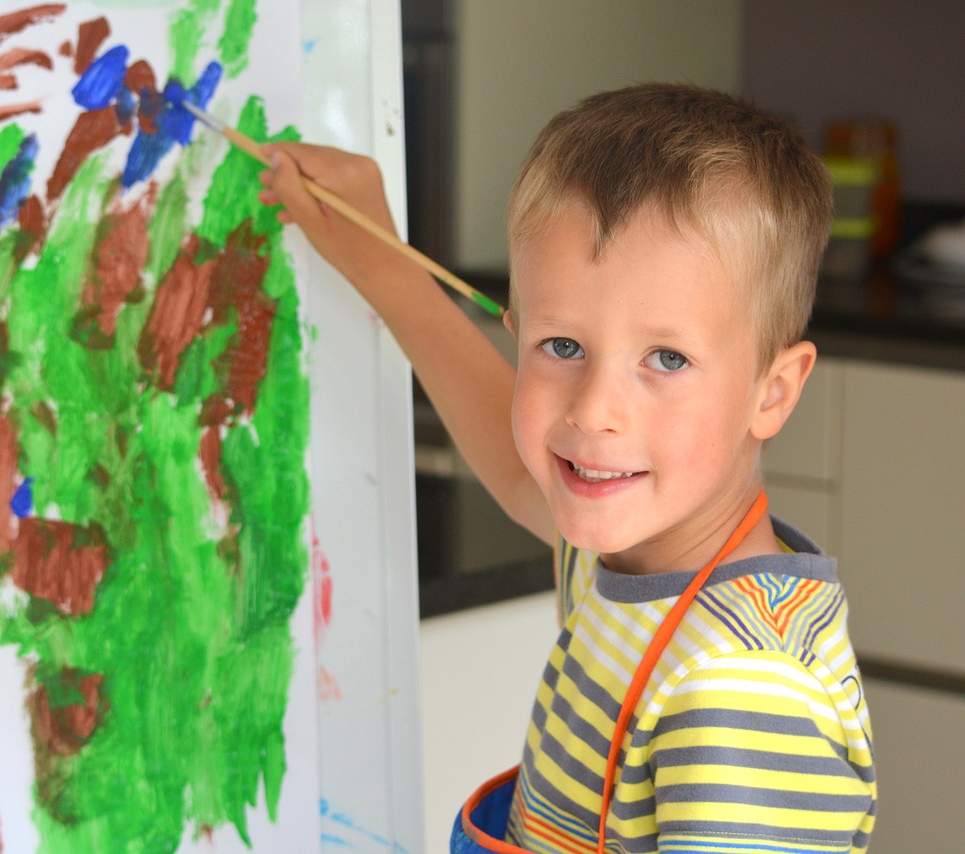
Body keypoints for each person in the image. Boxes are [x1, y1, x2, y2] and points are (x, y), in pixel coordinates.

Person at [258, 83, 877, 853]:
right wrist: (384, 263)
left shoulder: (739, 690)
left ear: (772, 391)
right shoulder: (621, 550)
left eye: (666, 359)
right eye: (562, 347)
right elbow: (522, 471)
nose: (593, 411)